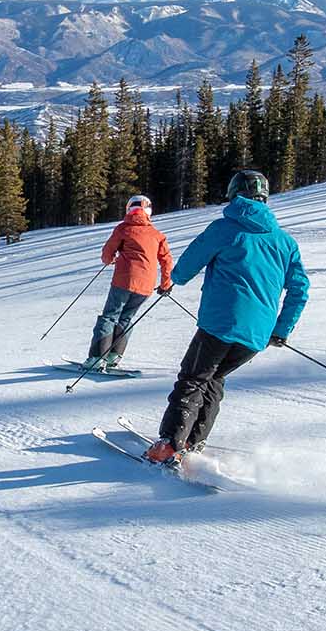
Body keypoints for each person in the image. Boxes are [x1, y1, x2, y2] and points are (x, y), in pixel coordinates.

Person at [145, 170, 308, 465]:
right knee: (215, 378)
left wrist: (175, 279)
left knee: (193, 378)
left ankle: (169, 444)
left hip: (220, 323)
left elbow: (187, 266)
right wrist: (281, 329)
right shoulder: (285, 243)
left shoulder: (225, 229)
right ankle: (193, 442)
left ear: (234, 195)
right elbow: (300, 290)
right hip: (256, 335)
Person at [83, 195, 173, 372]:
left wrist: (110, 259)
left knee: (110, 316)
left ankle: (96, 358)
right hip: (146, 286)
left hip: (124, 280)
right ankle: (114, 356)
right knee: (126, 318)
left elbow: (107, 253)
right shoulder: (157, 235)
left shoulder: (123, 229)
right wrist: (165, 284)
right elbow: (166, 261)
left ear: (128, 209)